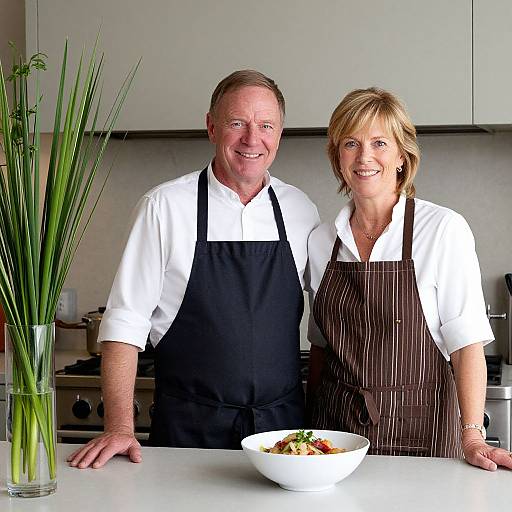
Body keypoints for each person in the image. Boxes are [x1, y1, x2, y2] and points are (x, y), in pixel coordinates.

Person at [68, 70, 320, 468]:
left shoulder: (300, 209)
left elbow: (327, 320)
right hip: (189, 432)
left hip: (282, 437)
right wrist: (119, 427)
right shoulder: (164, 207)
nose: (252, 139)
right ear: (211, 127)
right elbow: (125, 323)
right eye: (237, 123)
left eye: (265, 125)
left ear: (280, 132)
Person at [306, 87, 512, 471]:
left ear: (402, 155)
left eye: (379, 143)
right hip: (335, 441)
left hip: (421, 434)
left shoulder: (442, 229)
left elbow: (466, 343)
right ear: (337, 157)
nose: (365, 157)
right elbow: (321, 345)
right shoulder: (321, 241)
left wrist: (471, 434)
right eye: (351, 143)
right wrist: (307, 425)